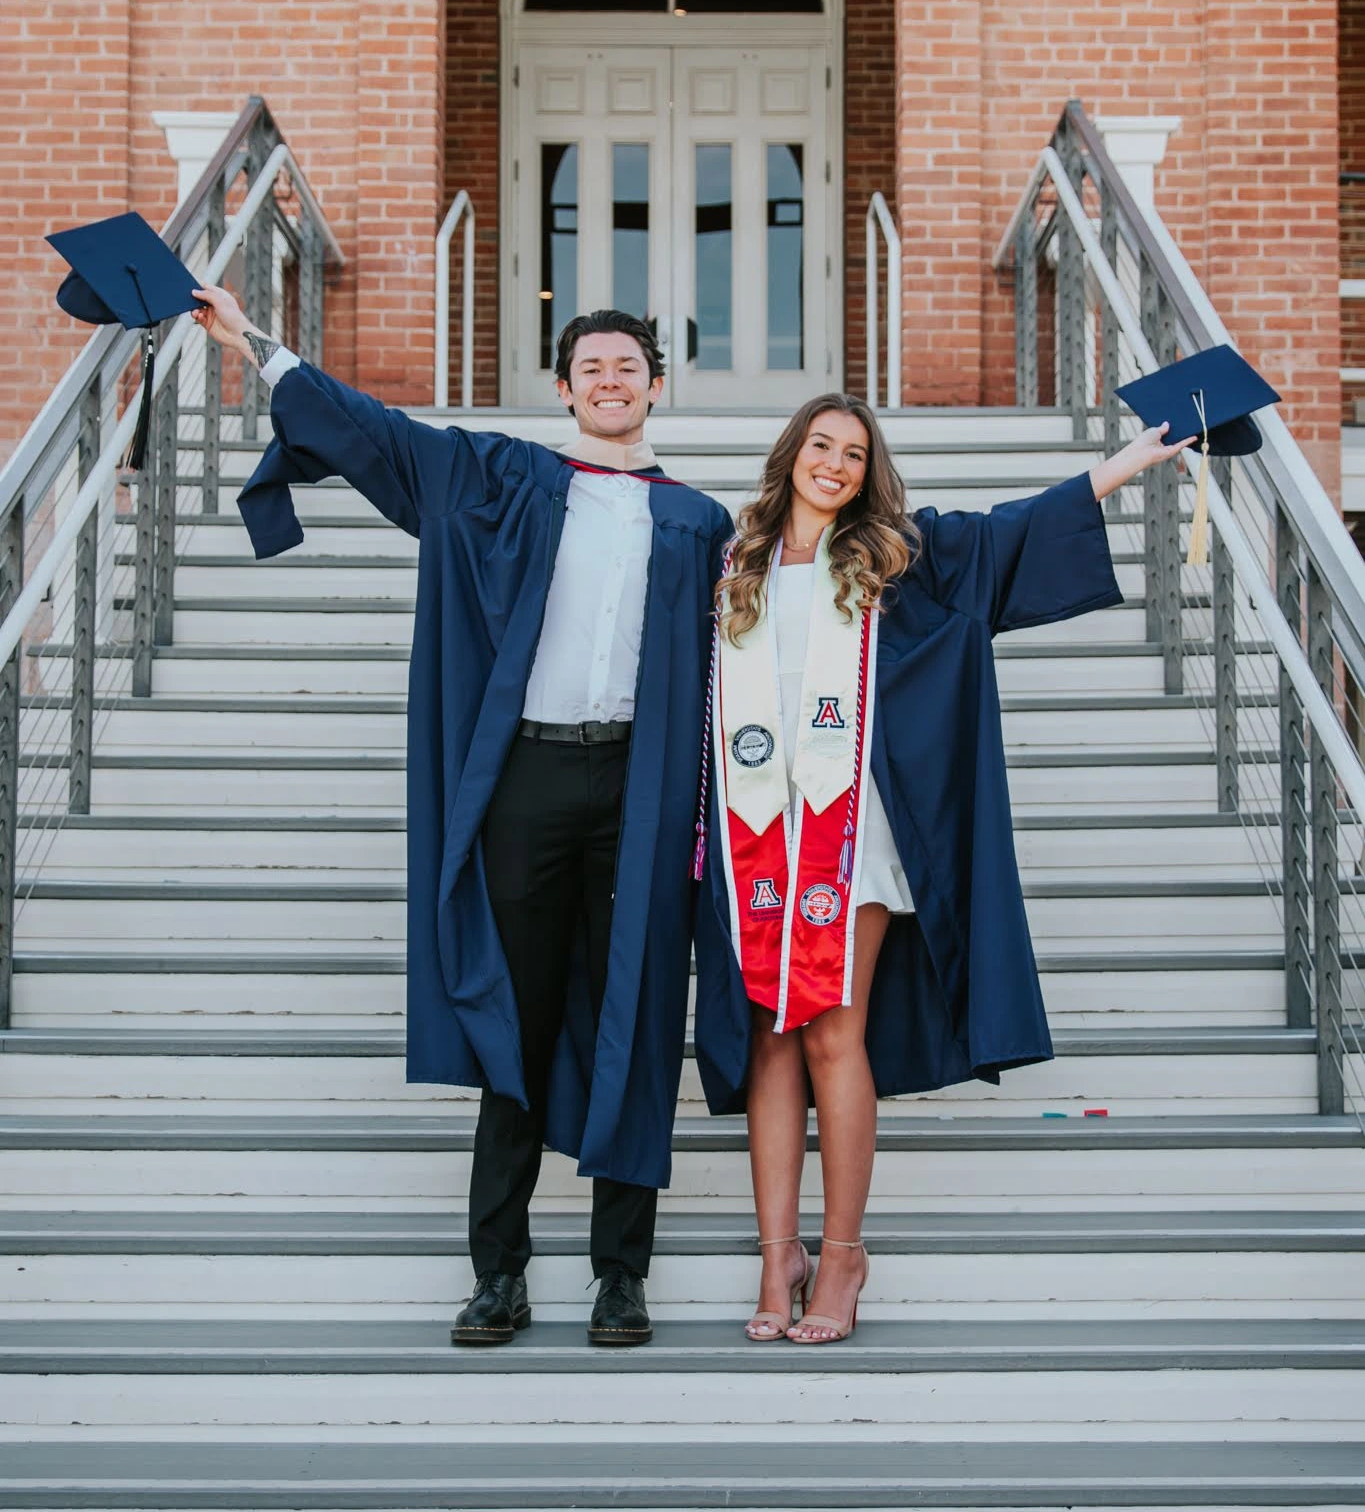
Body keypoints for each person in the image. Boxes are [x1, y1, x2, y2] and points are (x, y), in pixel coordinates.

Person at [189, 291, 732, 1349]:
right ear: (563, 388)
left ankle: (621, 1275)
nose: (610, 380)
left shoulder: (698, 521)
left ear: (656, 386)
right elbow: (378, 433)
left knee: (636, 1014)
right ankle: (499, 1272)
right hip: (530, 776)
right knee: (514, 1021)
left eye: (628, 366)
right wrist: (253, 341)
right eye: (591, 367)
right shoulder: (504, 477)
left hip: (644, 786)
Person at [690, 394, 1189, 1345]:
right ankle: (776, 1254)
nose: (834, 464)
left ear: (866, 473)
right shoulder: (727, 565)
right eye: (820, 445)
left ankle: (842, 1256)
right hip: (754, 832)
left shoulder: (896, 560)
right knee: (768, 1040)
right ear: (790, 453)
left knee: (833, 1033)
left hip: (850, 833)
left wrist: (1128, 461)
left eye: (853, 454)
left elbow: (1011, 533)